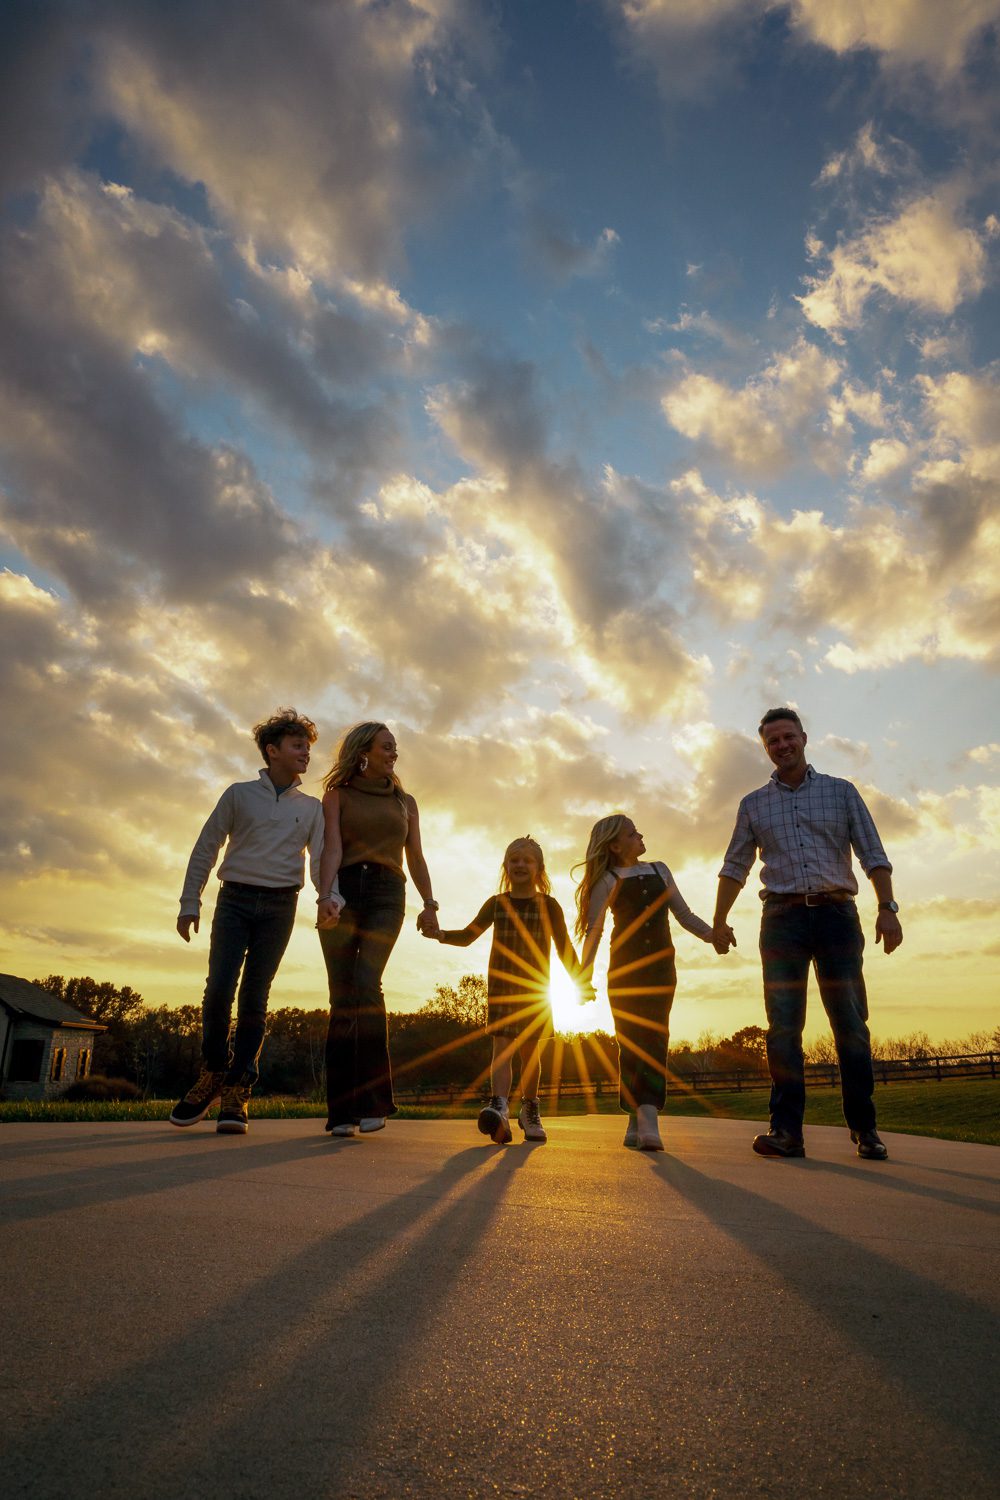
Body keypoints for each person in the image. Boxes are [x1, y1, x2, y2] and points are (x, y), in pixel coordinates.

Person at [712, 707, 903, 1161]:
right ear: (766, 749)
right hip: (781, 921)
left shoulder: (841, 792)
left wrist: (888, 907)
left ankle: (865, 1129)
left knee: (851, 1026)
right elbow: (734, 866)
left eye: (787, 736)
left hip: (837, 916)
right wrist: (718, 921)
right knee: (783, 1029)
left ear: (803, 737)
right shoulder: (753, 804)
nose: (782, 745)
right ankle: (786, 1132)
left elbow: (872, 853)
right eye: (772, 741)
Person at [170, 708, 325, 1135]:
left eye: (308, 748)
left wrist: (329, 897)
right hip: (234, 900)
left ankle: (238, 1091)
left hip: (280, 906)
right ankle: (213, 1073)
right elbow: (207, 847)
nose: (306, 755)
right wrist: (189, 901)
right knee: (218, 989)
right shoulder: (238, 795)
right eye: (298, 746)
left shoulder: (311, 808)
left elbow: (318, 863)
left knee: (255, 996)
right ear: (272, 751)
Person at [316, 722, 439, 1137]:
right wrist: (326, 896)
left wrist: (429, 904)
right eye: (387, 747)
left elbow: (416, 858)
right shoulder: (336, 795)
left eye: (396, 748)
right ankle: (341, 1112)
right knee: (341, 995)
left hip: (389, 893)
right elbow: (331, 848)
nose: (394, 754)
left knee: (367, 984)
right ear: (363, 751)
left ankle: (373, 1102)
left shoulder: (406, 801)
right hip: (345, 891)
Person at [428, 836, 590, 1145]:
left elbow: (565, 948)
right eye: (514, 860)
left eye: (527, 861)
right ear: (506, 866)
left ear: (539, 869)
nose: (520, 865)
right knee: (501, 1046)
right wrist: (441, 934)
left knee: (530, 1052)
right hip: (502, 987)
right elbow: (468, 936)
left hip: (535, 990)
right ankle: (499, 1106)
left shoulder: (549, 906)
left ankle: (530, 1109)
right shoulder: (497, 904)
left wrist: (580, 982)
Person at [577, 815, 714, 1151]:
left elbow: (684, 915)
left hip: (662, 971)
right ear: (615, 845)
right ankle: (642, 1116)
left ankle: (644, 1115)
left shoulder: (660, 870)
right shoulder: (607, 880)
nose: (640, 835)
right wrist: (583, 975)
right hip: (625, 972)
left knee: (655, 1038)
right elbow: (594, 930)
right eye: (632, 833)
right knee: (632, 1042)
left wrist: (713, 935)